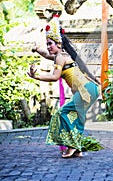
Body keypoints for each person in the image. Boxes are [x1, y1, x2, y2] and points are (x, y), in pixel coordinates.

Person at [28, 15, 101, 158]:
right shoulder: (60, 56)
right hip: (89, 90)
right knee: (74, 117)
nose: (48, 47)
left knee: (62, 113)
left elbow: (55, 77)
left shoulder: (60, 58)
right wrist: (37, 48)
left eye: (50, 44)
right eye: (47, 44)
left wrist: (36, 76)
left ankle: (73, 146)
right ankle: (76, 148)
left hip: (85, 90)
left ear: (59, 44)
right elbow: (46, 54)